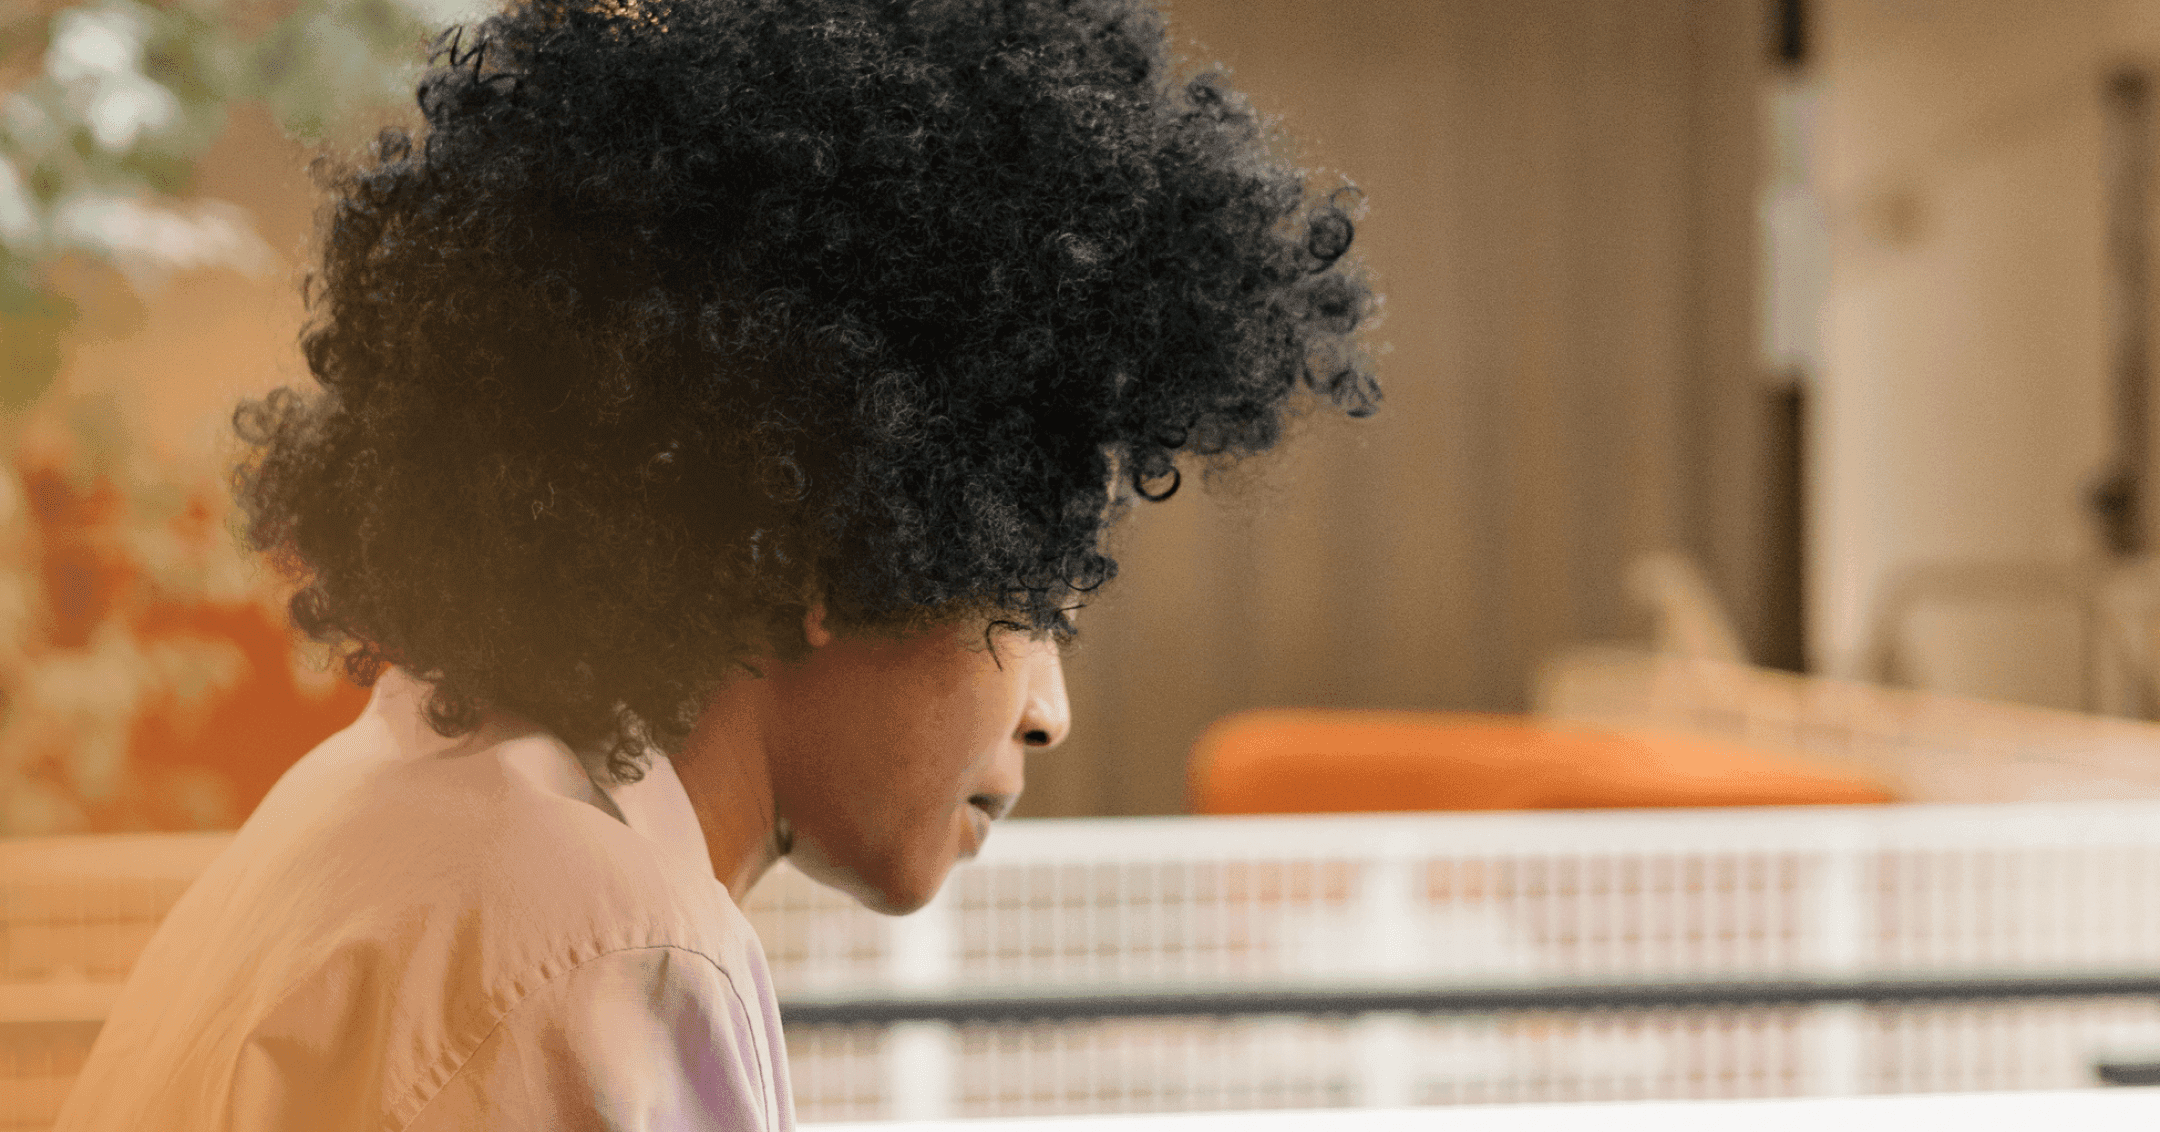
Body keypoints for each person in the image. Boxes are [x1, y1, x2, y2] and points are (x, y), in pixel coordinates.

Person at [54, 0, 1377, 1127]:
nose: (1049, 711)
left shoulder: (394, 803)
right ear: (837, 544)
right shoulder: (608, 948)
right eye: (1031, 607)